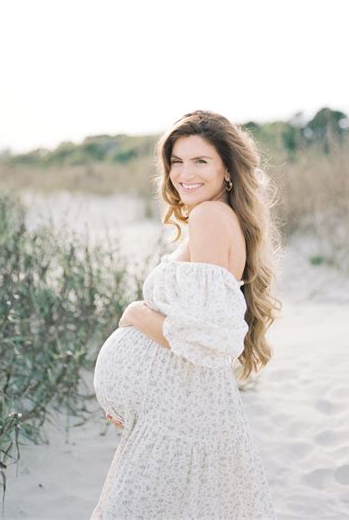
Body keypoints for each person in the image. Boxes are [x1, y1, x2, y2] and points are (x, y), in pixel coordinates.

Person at [91, 110, 282, 519]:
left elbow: (211, 339)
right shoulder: (215, 216)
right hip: (173, 413)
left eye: (200, 161)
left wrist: (138, 315)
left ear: (227, 169)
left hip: (181, 418)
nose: (184, 173)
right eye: (177, 161)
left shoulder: (209, 216)